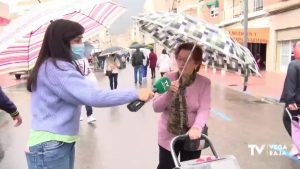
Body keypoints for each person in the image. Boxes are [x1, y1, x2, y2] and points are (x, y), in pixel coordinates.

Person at [25, 19, 154, 169]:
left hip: (56, 143)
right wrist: (135, 93)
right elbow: (93, 97)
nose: (81, 44)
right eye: (77, 40)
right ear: (62, 42)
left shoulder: (57, 66)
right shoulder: (57, 69)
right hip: (50, 145)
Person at [152, 43, 211, 169]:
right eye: (179, 59)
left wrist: (196, 128)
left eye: (187, 60)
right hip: (168, 135)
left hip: (191, 136)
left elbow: (204, 109)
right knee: (166, 166)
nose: (182, 63)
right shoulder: (168, 78)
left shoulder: (204, 83)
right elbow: (156, 107)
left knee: (189, 167)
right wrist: (168, 93)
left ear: (196, 63)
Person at [73, 56, 97, 123]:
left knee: (87, 99)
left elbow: (88, 69)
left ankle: (90, 115)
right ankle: (78, 115)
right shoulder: (72, 60)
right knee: (78, 99)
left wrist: (89, 72)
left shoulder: (84, 59)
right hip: (76, 82)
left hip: (86, 81)